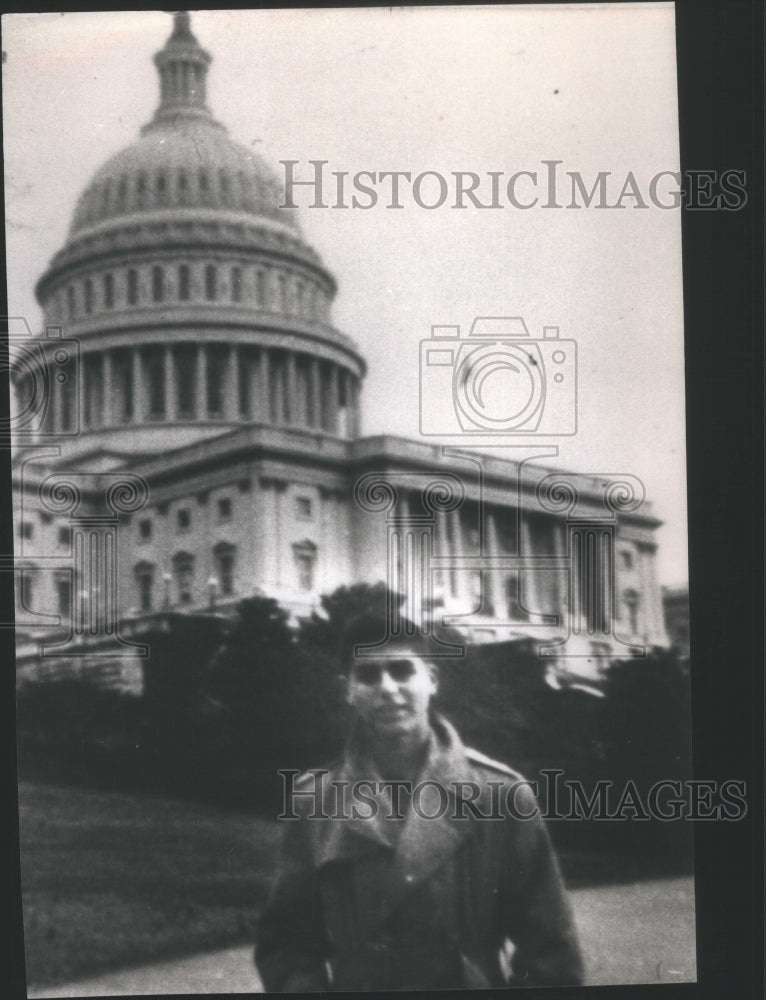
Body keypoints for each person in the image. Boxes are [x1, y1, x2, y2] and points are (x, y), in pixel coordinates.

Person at [255, 614, 584, 991]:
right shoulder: (315, 800)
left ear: (432, 679)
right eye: (368, 675)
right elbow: (286, 944)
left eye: (401, 670)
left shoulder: (503, 795)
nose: (387, 688)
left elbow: (552, 954)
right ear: (347, 689)